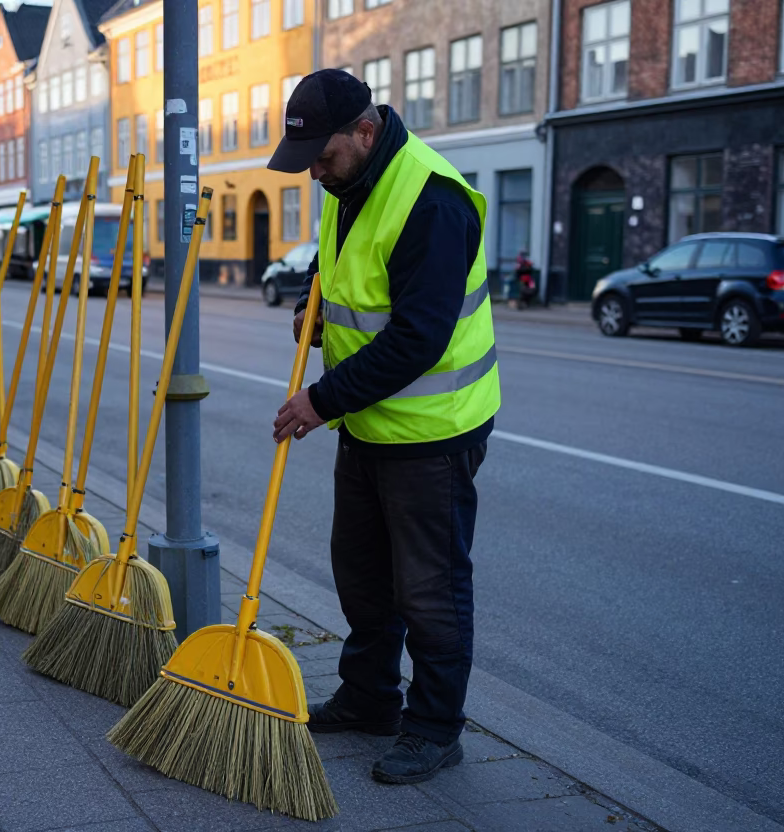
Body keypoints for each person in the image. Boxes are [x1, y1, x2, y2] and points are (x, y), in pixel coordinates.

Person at [268, 69, 500, 785]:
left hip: (433, 430)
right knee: (363, 575)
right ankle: (371, 697)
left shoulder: (430, 199)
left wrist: (320, 399)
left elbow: (417, 339)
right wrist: (315, 302)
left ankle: (434, 729)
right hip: (370, 425)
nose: (315, 172)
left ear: (365, 133)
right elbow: (352, 278)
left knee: (429, 590)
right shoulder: (351, 183)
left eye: (324, 157)